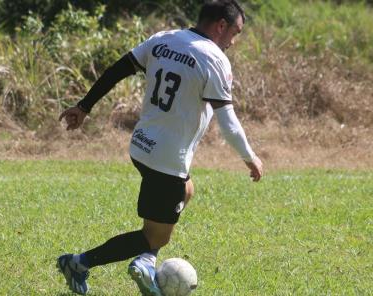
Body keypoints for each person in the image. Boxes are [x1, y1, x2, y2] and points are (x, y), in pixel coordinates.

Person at [56, 0, 263, 294]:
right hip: (167, 160)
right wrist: (249, 156)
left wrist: (84, 106)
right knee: (155, 238)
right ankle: (79, 262)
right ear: (221, 25)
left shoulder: (163, 39)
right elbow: (227, 121)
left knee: (187, 191)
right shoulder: (214, 59)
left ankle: (146, 260)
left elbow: (118, 69)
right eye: (235, 32)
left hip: (141, 146)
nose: (234, 40)